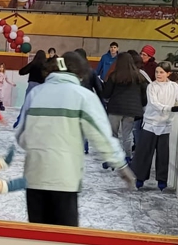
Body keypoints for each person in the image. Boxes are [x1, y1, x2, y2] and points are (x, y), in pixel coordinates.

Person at [17, 52, 135, 226]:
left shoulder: (36, 93)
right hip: (64, 179)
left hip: (34, 176)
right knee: (64, 242)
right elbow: (101, 136)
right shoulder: (83, 96)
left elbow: (21, 136)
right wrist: (121, 165)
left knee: (38, 239)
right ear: (81, 73)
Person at [134, 63, 178, 190]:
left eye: (161, 72)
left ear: (168, 73)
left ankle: (162, 180)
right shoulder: (151, 86)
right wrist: (172, 108)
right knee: (145, 153)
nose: (158, 75)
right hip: (150, 124)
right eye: (156, 72)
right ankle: (140, 178)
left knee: (163, 154)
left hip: (165, 124)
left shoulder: (174, 86)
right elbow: (154, 104)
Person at [101, 51, 147, 164]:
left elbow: (106, 94)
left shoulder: (114, 76)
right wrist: (140, 105)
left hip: (115, 109)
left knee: (113, 134)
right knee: (127, 135)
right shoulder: (139, 76)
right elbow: (144, 95)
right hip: (131, 110)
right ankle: (127, 157)